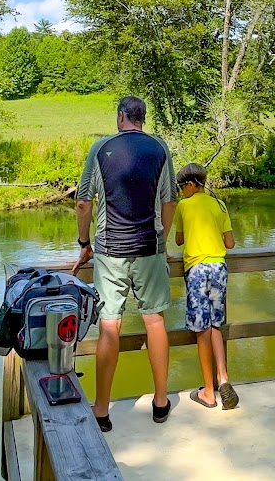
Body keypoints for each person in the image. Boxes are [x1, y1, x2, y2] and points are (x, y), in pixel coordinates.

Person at [70, 95, 178, 432]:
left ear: (121, 117)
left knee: (109, 326)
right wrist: (162, 241)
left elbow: (83, 202)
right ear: (142, 118)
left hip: (110, 251)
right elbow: (170, 201)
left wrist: (84, 244)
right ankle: (160, 402)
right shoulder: (160, 148)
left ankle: (102, 409)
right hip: (149, 248)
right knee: (155, 322)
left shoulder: (101, 149)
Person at [172, 163, 239, 410]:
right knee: (215, 325)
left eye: (182, 187)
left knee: (201, 330)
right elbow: (230, 242)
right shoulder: (219, 205)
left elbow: (179, 239)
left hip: (197, 270)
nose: (181, 192)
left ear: (190, 185)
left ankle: (209, 393)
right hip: (219, 268)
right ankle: (223, 378)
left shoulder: (183, 206)